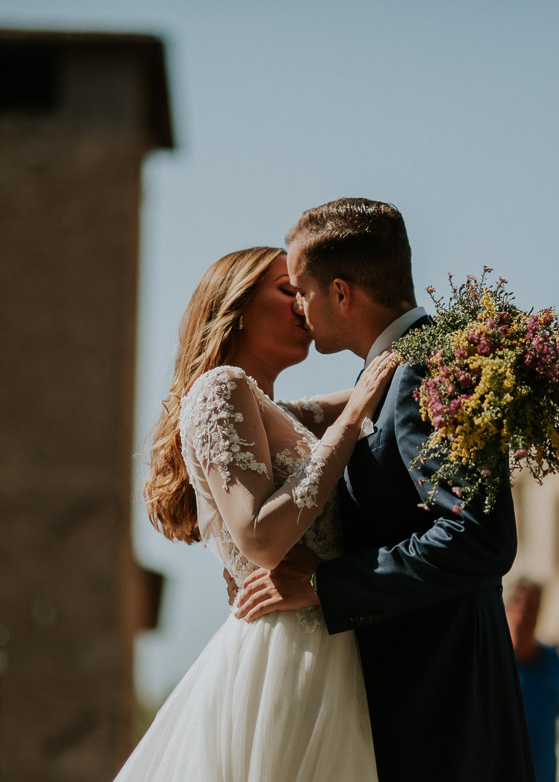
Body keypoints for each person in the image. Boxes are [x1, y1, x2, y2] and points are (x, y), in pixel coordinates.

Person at [235, 198, 536, 782]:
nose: (298, 305)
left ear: (342, 294)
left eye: (302, 288)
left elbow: (478, 537)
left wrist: (325, 585)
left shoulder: (427, 371)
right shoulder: (395, 373)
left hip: (441, 714)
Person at [114, 246, 399, 781]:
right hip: (286, 656)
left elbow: (388, 378)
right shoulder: (220, 387)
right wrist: (350, 424)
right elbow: (261, 539)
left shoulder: (283, 412)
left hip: (331, 647)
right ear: (237, 306)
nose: (303, 305)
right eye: (287, 290)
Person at [506, 578, 559, 782]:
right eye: (524, 606)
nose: (528, 616)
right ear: (508, 608)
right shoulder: (496, 663)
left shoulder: (551, 658)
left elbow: (556, 714)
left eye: (535, 608)